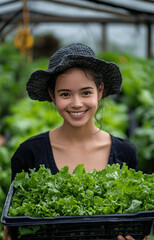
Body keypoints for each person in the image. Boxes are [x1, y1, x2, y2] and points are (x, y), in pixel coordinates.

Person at [3, 43, 148, 240]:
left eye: (86, 92)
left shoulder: (126, 153)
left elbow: (133, 224)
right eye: (65, 94)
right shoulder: (29, 153)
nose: (77, 103)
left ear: (100, 91)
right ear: (52, 95)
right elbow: (15, 226)